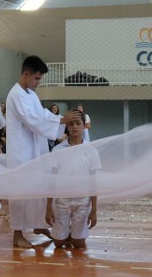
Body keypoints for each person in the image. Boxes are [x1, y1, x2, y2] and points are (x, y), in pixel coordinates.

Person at [6, 55, 78, 248]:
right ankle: (17, 234)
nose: (38, 83)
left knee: (38, 187)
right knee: (20, 191)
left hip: (35, 147)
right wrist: (61, 120)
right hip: (21, 150)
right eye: (36, 78)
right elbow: (32, 119)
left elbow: (42, 114)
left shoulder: (30, 93)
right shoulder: (16, 94)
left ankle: (39, 224)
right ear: (26, 74)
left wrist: (60, 119)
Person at [45, 110, 100, 249]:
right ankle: (65, 233)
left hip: (83, 201)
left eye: (78, 123)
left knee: (78, 244)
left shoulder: (91, 150)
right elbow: (51, 180)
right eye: (71, 124)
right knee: (58, 243)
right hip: (62, 201)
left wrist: (94, 210)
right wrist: (48, 208)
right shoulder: (57, 150)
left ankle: (74, 234)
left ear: (84, 126)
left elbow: (93, 181)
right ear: (67, 127)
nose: (74, 127)